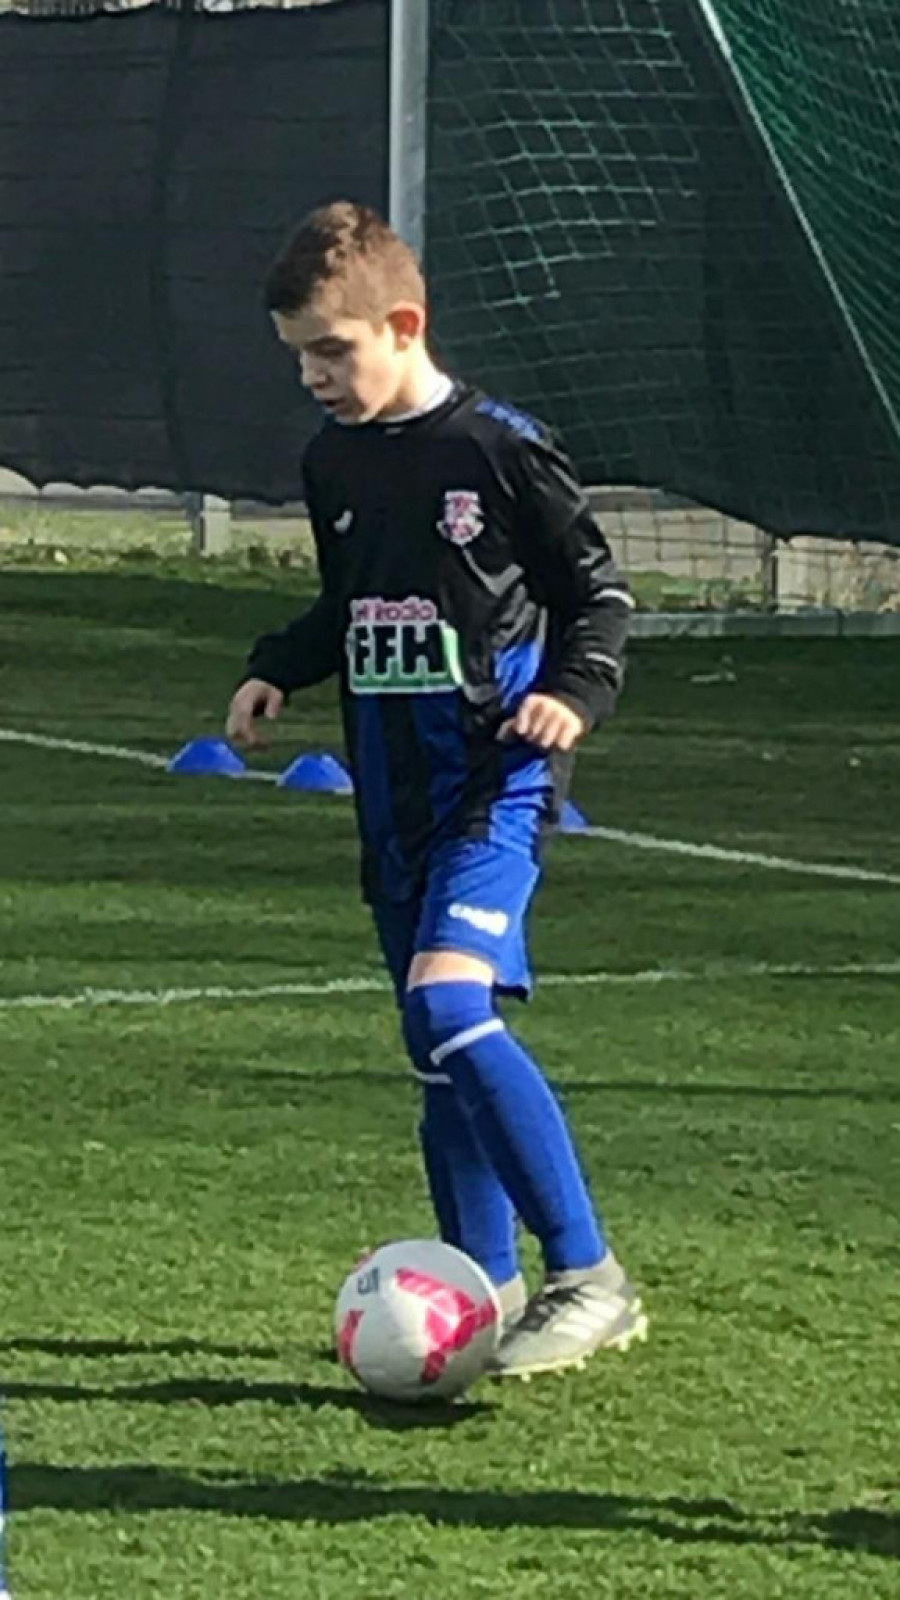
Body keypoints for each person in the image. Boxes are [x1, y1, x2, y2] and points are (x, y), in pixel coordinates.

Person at [227, 201, 648, 1379]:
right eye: (299, 356)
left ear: (404, 325)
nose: (314, 376)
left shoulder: (499, 449)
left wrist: (574, 693)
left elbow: (599, 593)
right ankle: (482, 1281)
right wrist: (278, 665)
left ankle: (588, 1275)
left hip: (495, 781)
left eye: (332, 350)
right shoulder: (333, 461)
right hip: (393, 795)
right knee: (433, 1047)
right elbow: (352, 602)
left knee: (450, 1004)